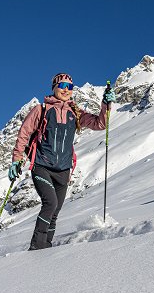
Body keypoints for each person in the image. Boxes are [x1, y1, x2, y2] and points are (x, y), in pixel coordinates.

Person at [9, 72, 115, 250]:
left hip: (64, 170)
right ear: (54, 87)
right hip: (42, 166)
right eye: (62, 86)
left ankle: (46, 248)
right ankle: (36, 247)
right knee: (50, 203)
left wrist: (106, 104)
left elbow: (100, 124)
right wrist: (16, 160)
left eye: (70, 87)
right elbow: (24, 133)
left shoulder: (75, 112)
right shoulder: (41, 109)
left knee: (55, 211)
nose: (66, 90)